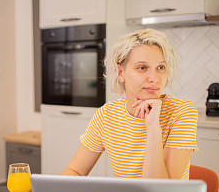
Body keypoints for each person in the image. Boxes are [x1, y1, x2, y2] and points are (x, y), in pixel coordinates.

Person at [62, 28, 198, 180]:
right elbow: (75, 171)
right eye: (142, 68)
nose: (154, 78)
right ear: (121, 73)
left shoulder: (181, 112)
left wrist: (153, 128)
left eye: (161, 67)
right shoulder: (106, 115)